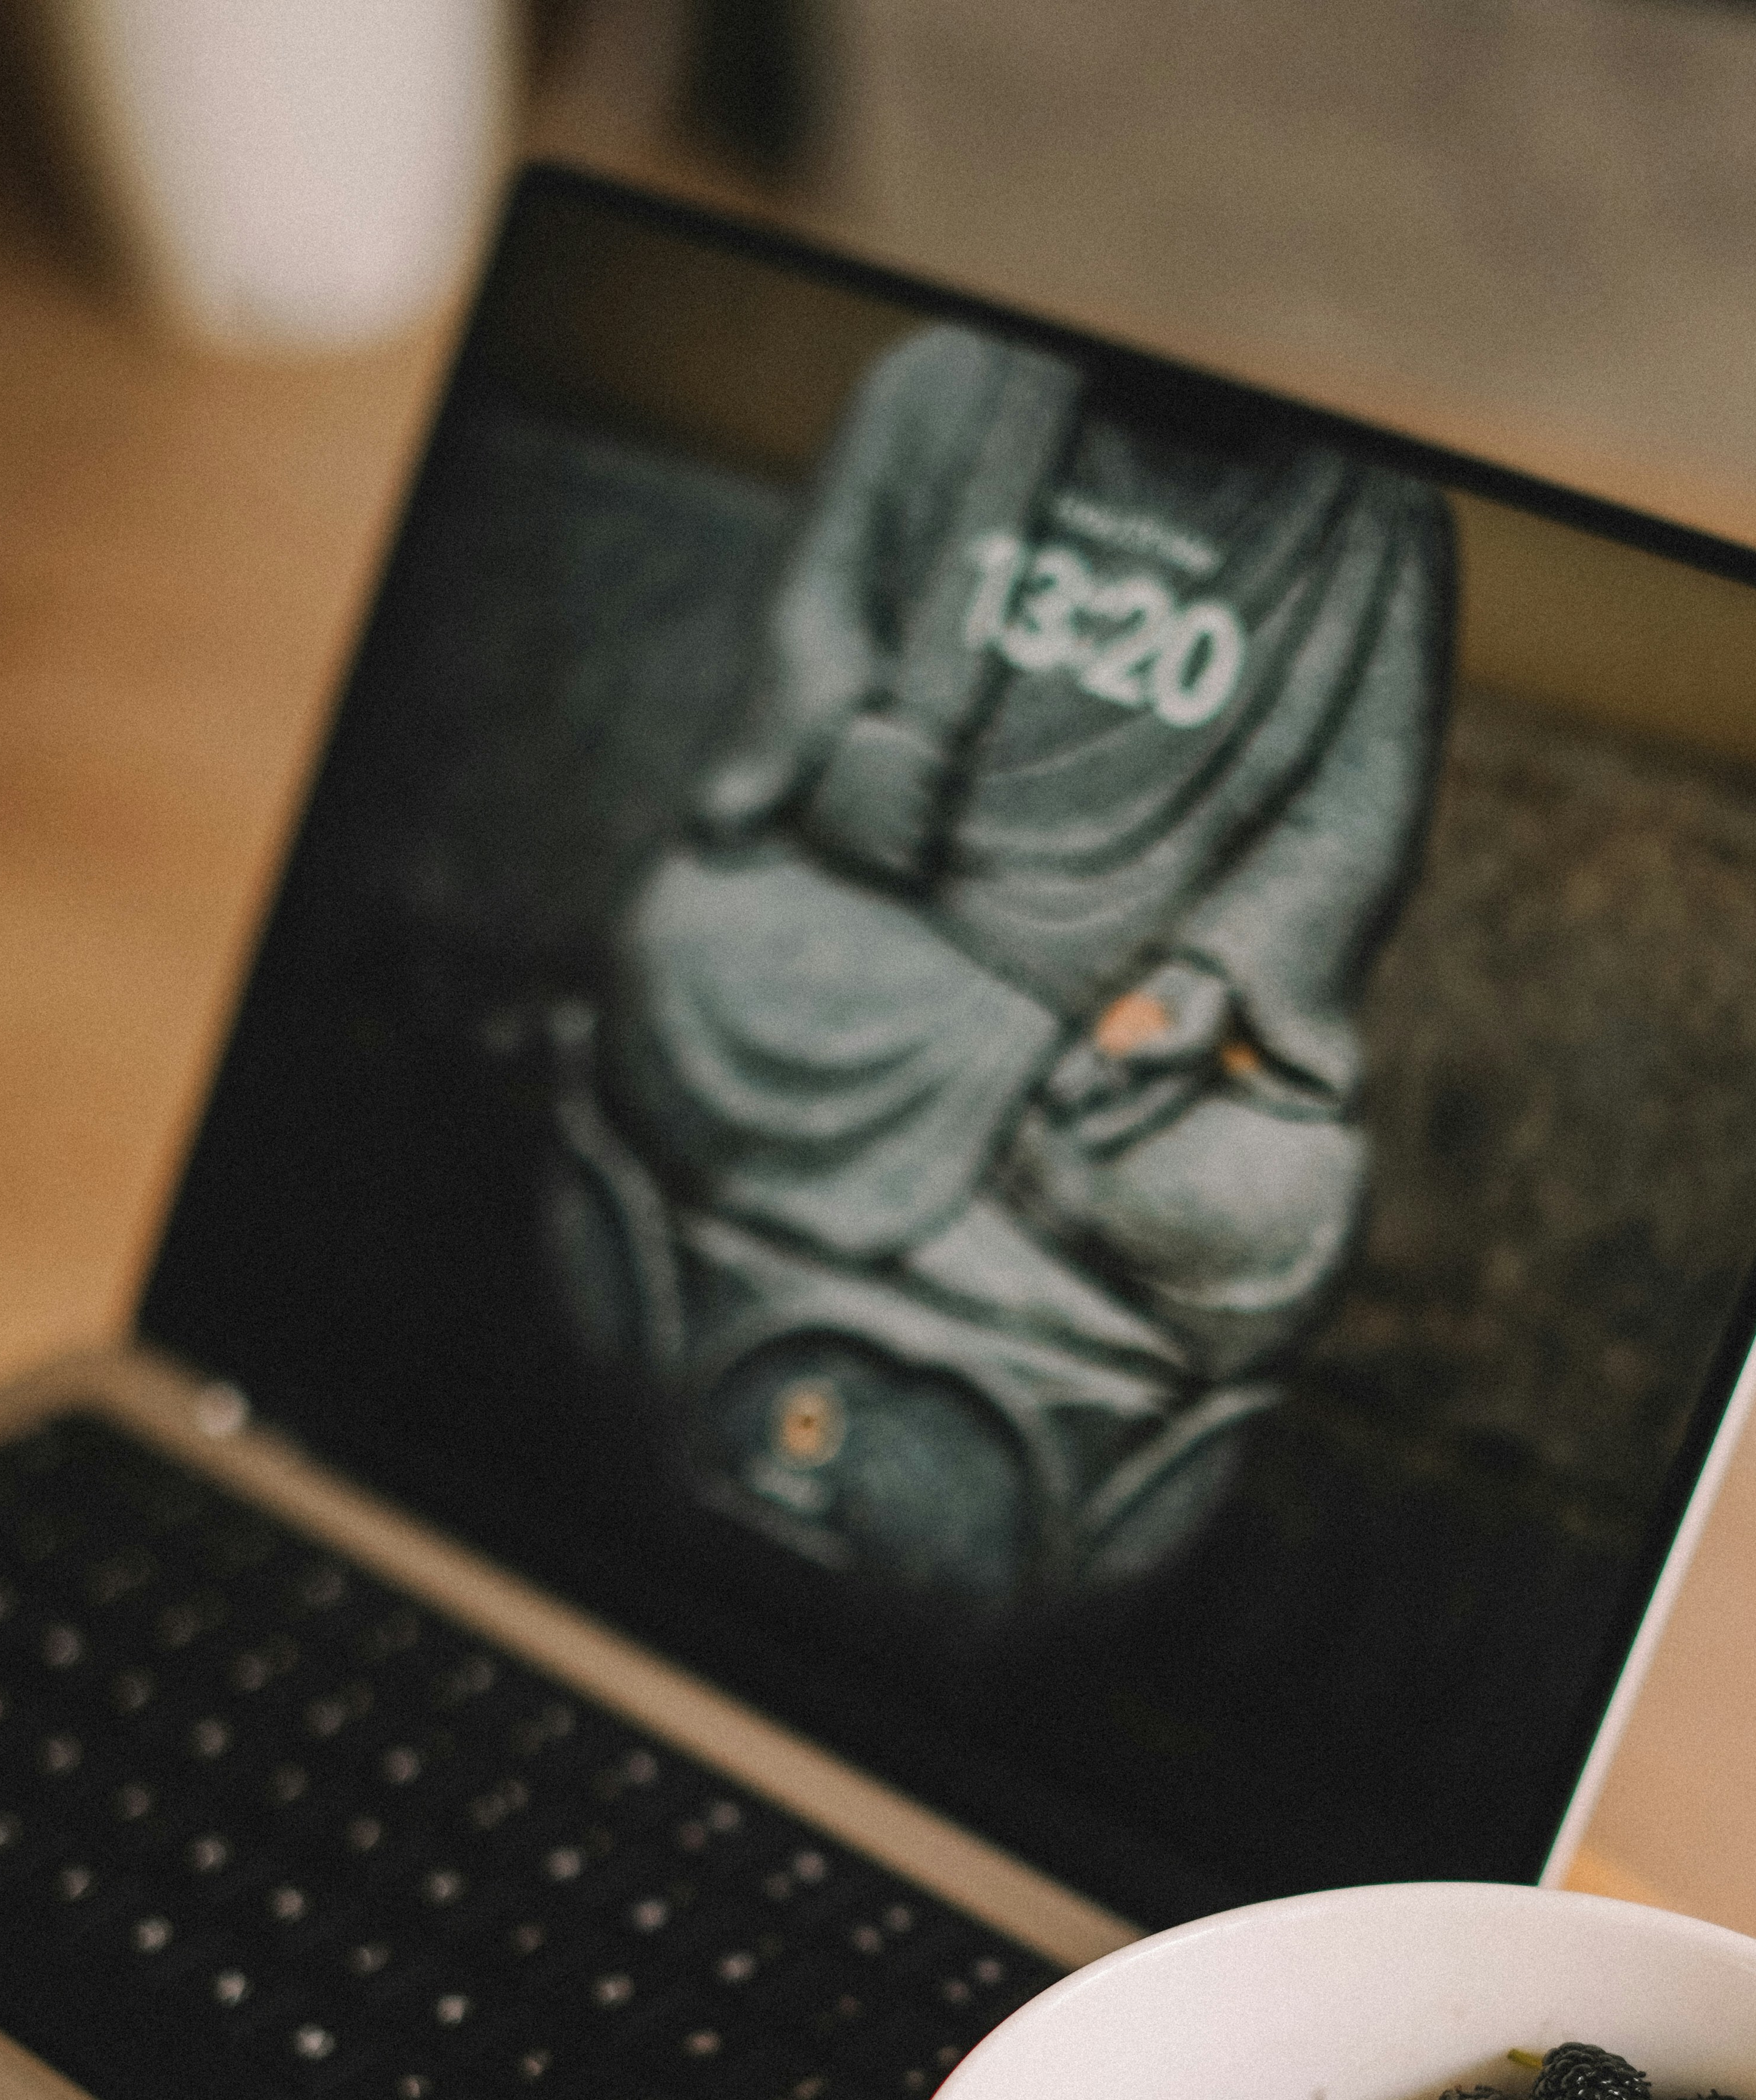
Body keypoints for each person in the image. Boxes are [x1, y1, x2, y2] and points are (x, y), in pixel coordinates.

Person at [583, 318, 1457, 1614]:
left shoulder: (1372, 517)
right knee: (687, 943)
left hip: (1103, 1071)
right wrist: (834, 747)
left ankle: (961, 1241)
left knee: (1277, 1195)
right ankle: (994, 1260)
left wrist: (1203, 990)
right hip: (880, 955)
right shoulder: (939, 385)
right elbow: (818, 604)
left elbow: (1344, 825)